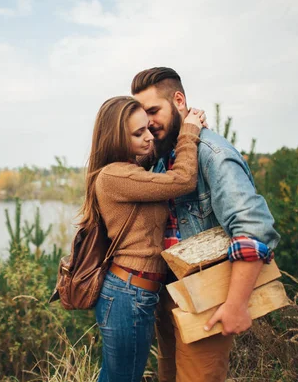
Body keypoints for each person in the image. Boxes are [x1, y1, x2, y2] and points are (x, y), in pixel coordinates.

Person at [130, 67, 281, 382]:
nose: (148, 122)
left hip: (206, 299)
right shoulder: (165, 156)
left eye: (153, 111)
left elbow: (253, 229)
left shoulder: (212, 154)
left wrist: (237, 304)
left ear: (179, 100)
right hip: (168, 295)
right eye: (142, 116)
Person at [80, 96, 206, 382]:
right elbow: (183, 180)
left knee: (117, 377)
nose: (149, 137)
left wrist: (178, 126)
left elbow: (152, 156)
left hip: (134, 292)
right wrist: (189, 132)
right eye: (139, 134)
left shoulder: (128, 169)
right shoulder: (116, 176)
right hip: (128, 294)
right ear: (116, 138)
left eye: (149, 128)